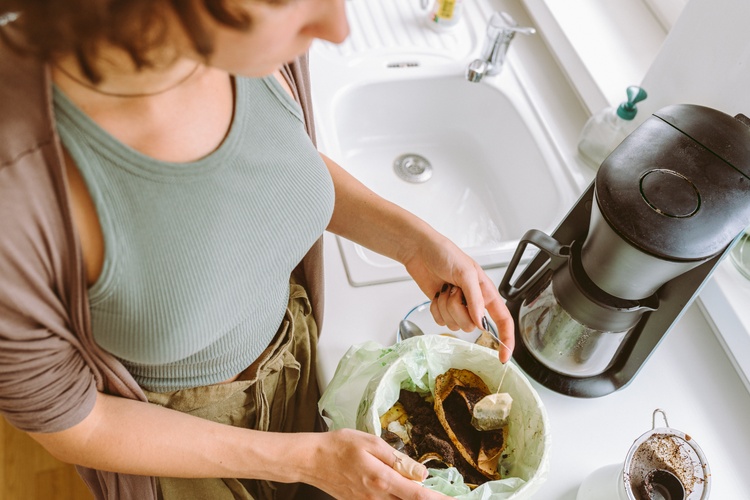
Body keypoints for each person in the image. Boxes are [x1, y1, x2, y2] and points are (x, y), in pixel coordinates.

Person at [0, 1, 515, 498]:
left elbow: (274, 159)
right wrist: (306, 460)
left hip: (293, 364)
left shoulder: (258, 49)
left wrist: (412, 243)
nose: (337, 28)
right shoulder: (19, 184)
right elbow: (70, 421)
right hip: (174, 447)